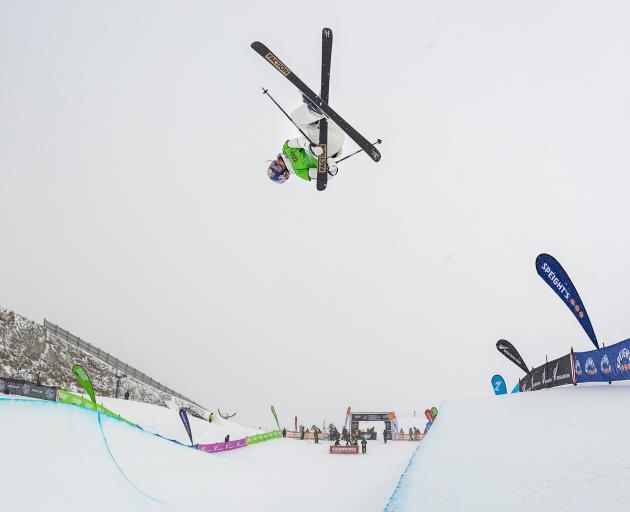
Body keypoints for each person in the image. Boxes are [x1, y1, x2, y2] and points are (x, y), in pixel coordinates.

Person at [266, 99, 346, 185]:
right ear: (284, 174)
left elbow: (300, 141)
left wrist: (310, 147)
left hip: (331, 129)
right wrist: (332, 169)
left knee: (295, 119)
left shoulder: (286, 147)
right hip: (330, 148)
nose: (277, 163)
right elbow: (323, 176)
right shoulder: (299, 172)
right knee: (296, 119)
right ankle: (315, 109)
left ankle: (315, 108)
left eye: (274, 164)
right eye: (277, 168)